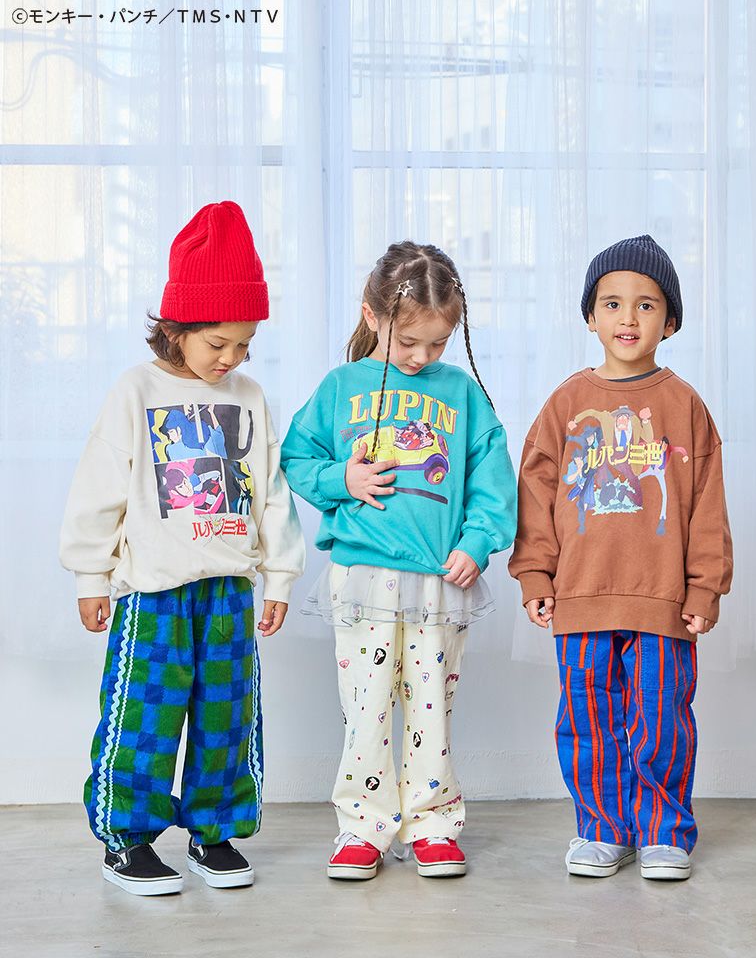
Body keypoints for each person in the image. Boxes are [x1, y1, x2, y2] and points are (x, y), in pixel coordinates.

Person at [60, 201, 305, 896]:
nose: (231, 359)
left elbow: (271, 492)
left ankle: (213, 831)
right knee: (144, 715)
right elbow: (101, 486)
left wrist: (280, 577)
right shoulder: (136, 391)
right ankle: (128, 838)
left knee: (227, 715)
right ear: (176, 328)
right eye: (218, 343)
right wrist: (91, 574)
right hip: (154, 590)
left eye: (244, 345)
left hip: (229, 589)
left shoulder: (249, 396)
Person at [281, 241, 516, 880]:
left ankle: (433, 823)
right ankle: (363, 826)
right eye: (408, 341)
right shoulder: (340, 388)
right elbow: (296, 458)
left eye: (437, 343)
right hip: (362, 577)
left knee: (431, 706)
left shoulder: (461, 394)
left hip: (439, 580)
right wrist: (343, 478)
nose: (421, 357)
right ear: (372, 316)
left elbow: (493, 480)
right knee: (367, 708)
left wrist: (476, 542)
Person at [509, 234, 733, 881]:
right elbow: (536, 494)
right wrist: (535, 573)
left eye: (646, 304)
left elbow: (708, 504)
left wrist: (704, 587)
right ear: (590, 316)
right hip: (581, 599)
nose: (628, 318)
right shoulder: (565, 403)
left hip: (663, 600)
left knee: (662, 722)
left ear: (671, 322)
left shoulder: (684, 405)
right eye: (612, 303)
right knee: (588, 722)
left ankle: (663, 832)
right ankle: (603, 829)